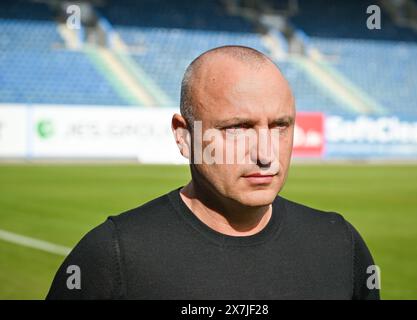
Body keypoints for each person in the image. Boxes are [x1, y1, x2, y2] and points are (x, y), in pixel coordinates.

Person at [47, 45, 380, 300]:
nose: (266, 155)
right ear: (184, 135)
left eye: (280, 125)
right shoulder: (113, 253)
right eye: (237, 128)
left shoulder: (339, 243)